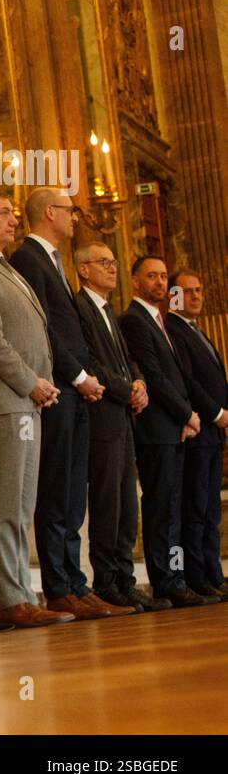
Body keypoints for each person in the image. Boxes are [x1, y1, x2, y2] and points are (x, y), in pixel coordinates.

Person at [8, 189, 126, 620]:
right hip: (56, 387)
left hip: (75, 389)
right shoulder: (27, 259)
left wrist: (87, 378)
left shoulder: (53, 261)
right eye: (70, 211)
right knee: (57, 490)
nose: (76, 218)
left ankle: (76, 582)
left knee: (75, 493)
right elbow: (43, 329)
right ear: (50, 213)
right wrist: (77, 375)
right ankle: (58, 585)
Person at [0, 186, 74, 629]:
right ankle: (12, 597)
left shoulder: (3, 266)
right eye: (3, 213)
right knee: (9, 503)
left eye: (12, 212)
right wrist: (31, 382)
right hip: (6, 402)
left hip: (26, 401)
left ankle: (24, 593)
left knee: (24, 503)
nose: (13, 220)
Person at [74, 244, 165, 612]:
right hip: (103, 417)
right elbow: (90, 361)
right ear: (82, 269)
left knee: (129, 502)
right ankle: (107, 580)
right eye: (103, 263)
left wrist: (139, 382)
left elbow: (128, 361)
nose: (112, 268)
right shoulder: (80, 308)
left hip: (124, 418)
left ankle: (125, 579)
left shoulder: (109, 310)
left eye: (114, 262)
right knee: (108, 501)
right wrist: (128, 389)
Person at [119, 256, 210, 607]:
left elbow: (179, 375)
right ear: (136, 281)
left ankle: (176, 576)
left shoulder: (160, 321)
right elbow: (155, 377)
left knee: (174, 509)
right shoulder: (134, 320)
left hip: (174, 428)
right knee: (161, 510)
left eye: (162, 276)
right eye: (151, 276)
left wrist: (186, 418)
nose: (159, 282)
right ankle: (166, 579)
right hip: (157, 429)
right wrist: (187, 414)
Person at [166, 269, 228, 601]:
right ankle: (198, 575)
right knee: (196, 507)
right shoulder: (174, 330)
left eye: (199, 290)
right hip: (200, 429)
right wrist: (217, 414)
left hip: (214, 433)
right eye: (187, 291)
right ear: (173, 296)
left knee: (210, 510)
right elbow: (190, 382)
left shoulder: (196, 330)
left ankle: (213, 573)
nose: (196, 296)